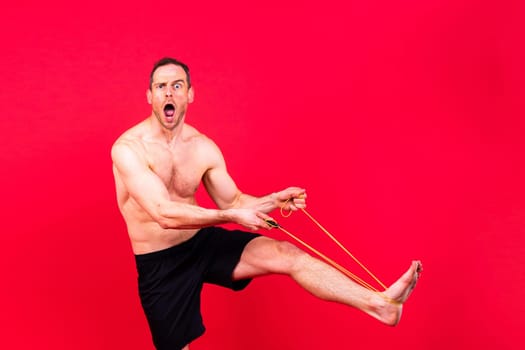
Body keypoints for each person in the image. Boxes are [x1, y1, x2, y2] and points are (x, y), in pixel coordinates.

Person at [111, 57, 422, 350]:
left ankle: (379, 305)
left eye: (177, 85)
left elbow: (233, 199)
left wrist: (272, 201)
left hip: (201, 242)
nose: (169, 92)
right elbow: (163, 213)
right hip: (160, 261)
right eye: (161, 86)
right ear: (149, 95)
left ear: (190, 95)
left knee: (285, 252)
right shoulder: (129, 149)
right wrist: (230, 215)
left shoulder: (202, 147)